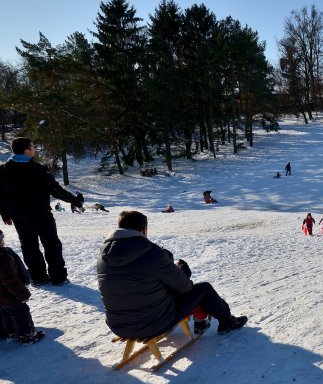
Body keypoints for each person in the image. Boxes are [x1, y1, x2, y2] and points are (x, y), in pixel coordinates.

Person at [97, 210, 247, 338]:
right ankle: (227, 321)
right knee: (204, 288)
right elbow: (185, 287)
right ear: (143, 229)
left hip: (118, 326)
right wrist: (182, 270)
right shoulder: (152, 253)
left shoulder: (103, 256)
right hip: (152, 325)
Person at [0, 137, 84, 286]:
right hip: (39, 213)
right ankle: (58, 277)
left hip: (18, 214)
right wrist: (75, 201)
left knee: (28, 245)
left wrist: (5, 214)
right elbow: (56, 191)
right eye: (33, 147)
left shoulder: (4, 169)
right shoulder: (38, 169)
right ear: (26, 150)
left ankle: (38, 278)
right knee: (51, 244)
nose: (35, 149)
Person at [0, 229, 44, 344]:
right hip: (10, 295)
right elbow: (11, 281)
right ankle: (27, 335)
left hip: (2, 298)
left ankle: (12, 332)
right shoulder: (4, 259)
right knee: (21, 313)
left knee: (6, 314)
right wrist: (22, 294)